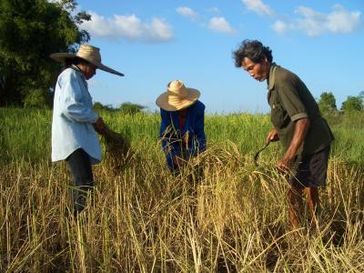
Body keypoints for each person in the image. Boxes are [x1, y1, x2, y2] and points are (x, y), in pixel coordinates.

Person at [233, 39, 334, 230]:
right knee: (293, 192)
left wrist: (288, 156)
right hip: (302, 144)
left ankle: (316, 234)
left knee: (307, 192)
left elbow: (303, 120)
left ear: (263, 59)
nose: (250, 73)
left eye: (251, 67)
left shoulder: (282, 80)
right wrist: (278, 130)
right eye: (246, 70)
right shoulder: (273, 79)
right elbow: (290, 114)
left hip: (313, 144)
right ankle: (298, 234)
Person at [50, 44, 124, 215]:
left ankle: (76, 223)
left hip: (78, 140)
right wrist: (94, 118)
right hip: (72, 141)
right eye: (94, 68)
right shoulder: (70, 76)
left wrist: (97, 124)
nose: (95, 72)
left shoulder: (77, 78)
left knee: (84, 183)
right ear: (85, 63)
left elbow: (78, 109)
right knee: (84, 184)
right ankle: (75, 224)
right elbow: (70, 107)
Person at [156, 80, 206, 174]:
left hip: (193, 147)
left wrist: (191, 156)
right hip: (174, 147)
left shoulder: (198, 109)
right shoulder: (166, 110)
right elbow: (165, 137)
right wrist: (173, 157)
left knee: (196, 173)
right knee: (176, 174)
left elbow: (200, 136)